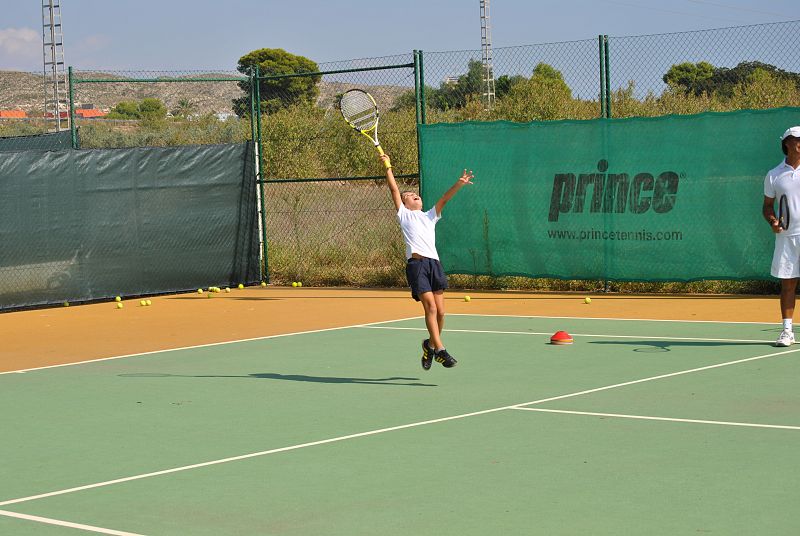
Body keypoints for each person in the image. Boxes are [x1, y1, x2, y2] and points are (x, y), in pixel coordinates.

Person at [380, 153, 474, 369]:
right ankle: (440, 350)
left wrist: (459, 184)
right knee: (430, 308)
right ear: (404, 203)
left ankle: (429, 345)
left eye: (416, 194)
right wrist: (388, 167)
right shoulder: (404, 214)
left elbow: (445, 198)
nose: (415, 196)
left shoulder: (430, 215)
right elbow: (394, 189)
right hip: (417, 266)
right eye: (410, 195)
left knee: (441, 312)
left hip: (434, 265)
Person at [763, 126, 800, 347]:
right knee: (788, 285)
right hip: (787, 237)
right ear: (787, 143)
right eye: (798, 139)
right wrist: (773, 221)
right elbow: (767, 206)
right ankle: (787, 331)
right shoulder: (774, 175)